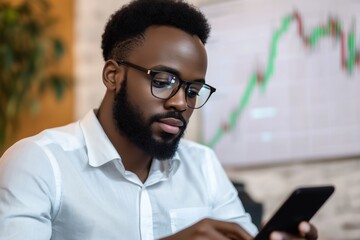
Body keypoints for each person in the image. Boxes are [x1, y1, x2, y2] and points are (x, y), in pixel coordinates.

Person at [0, 0, 318, 239]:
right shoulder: (39, 162)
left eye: (193, 89)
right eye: (163, 80)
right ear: (113, 76)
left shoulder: (203, 165)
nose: (181, 102)